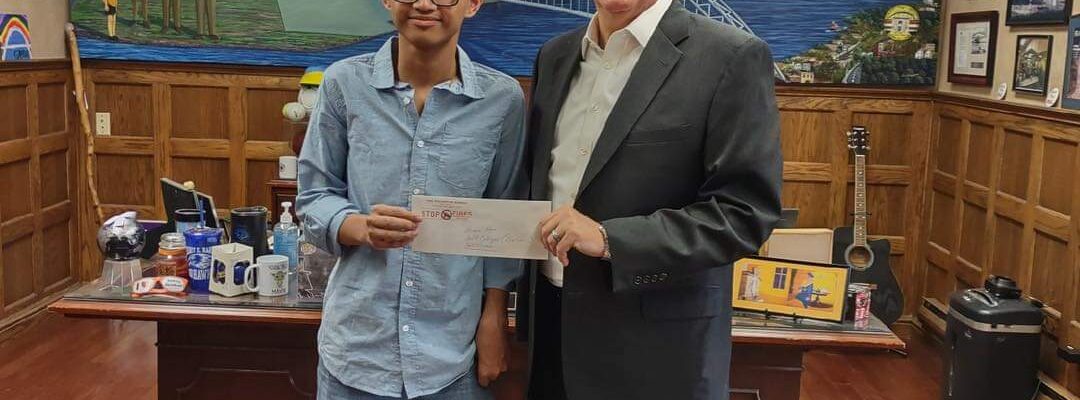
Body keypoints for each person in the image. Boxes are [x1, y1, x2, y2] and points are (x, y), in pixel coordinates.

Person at [518, 0, 783, 398]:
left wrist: (609, 239)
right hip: (551, 335)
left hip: (656, 351)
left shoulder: (731, 55)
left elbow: (744, 213)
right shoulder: (554, 55)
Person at [296, 0, 526, 397]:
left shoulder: (502, 100)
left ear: (473, 4)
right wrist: (360, 227)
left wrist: (494, 319)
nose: (423, 4)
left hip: (453, 353)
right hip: (356, 349)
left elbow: (505, 216)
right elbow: (314, 196)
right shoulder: (344, 84)